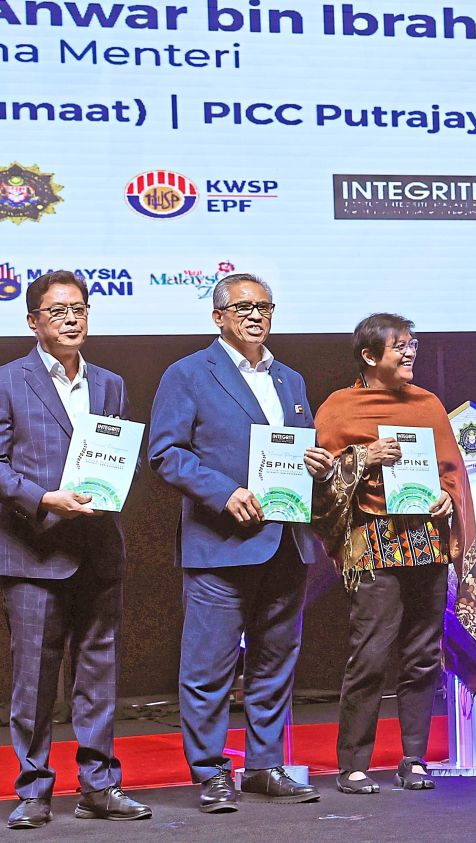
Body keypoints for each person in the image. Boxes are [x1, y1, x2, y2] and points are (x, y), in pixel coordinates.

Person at [0, 270, 152, 829]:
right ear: (34, 321)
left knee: (98, 676)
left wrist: (116, 481)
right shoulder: (4, 380)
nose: (72, 318)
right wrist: (45, 499)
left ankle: (99, 786)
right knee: (33, 681)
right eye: (58, 311)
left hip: (98, 548)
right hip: (34, 551)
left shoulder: (110, 383)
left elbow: (121, 454)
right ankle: (33, 790)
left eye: (79, 309)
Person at [148, 273, 331, 811]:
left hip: (286, 542)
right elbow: (165, 453)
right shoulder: (187, 373)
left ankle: (264, 766)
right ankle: (210, 772)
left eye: (264, 307)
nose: (255, 316)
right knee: (208, 669)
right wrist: (223, 492)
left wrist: (316, 462)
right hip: (220, 543)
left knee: (274, 664)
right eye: (243, 307)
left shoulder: (290, 380)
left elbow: (296, 449)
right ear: (218, 317)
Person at [312, 313, 476, 794]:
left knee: (422, 655)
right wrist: (363, 457)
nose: (410, 354)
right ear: (369, 356)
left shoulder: (428, 404)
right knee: (370, 654)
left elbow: (453, 472)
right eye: (400, 347)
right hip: (373, 546)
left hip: (426, 544)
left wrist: (447, 497)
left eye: (413, 345)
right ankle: (352, 763)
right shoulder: (339, 408)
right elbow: (318, 484)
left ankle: (414, 758)